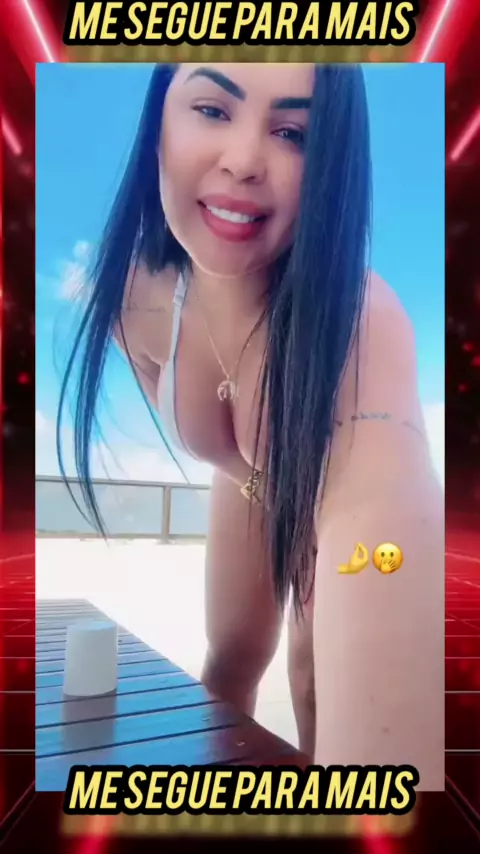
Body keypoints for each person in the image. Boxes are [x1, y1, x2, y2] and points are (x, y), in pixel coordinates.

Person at [58, 63, 444, 786]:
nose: (242, 160)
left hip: (328, 487)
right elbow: (212, 434)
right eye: (211, 109)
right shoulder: (135, 300)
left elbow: (390, 766)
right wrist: (259, 482)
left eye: (294, 133)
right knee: (229, 659)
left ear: (331, 166)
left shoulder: (359, 331)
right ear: (158, 123)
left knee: (314, 673)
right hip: (249, 481)